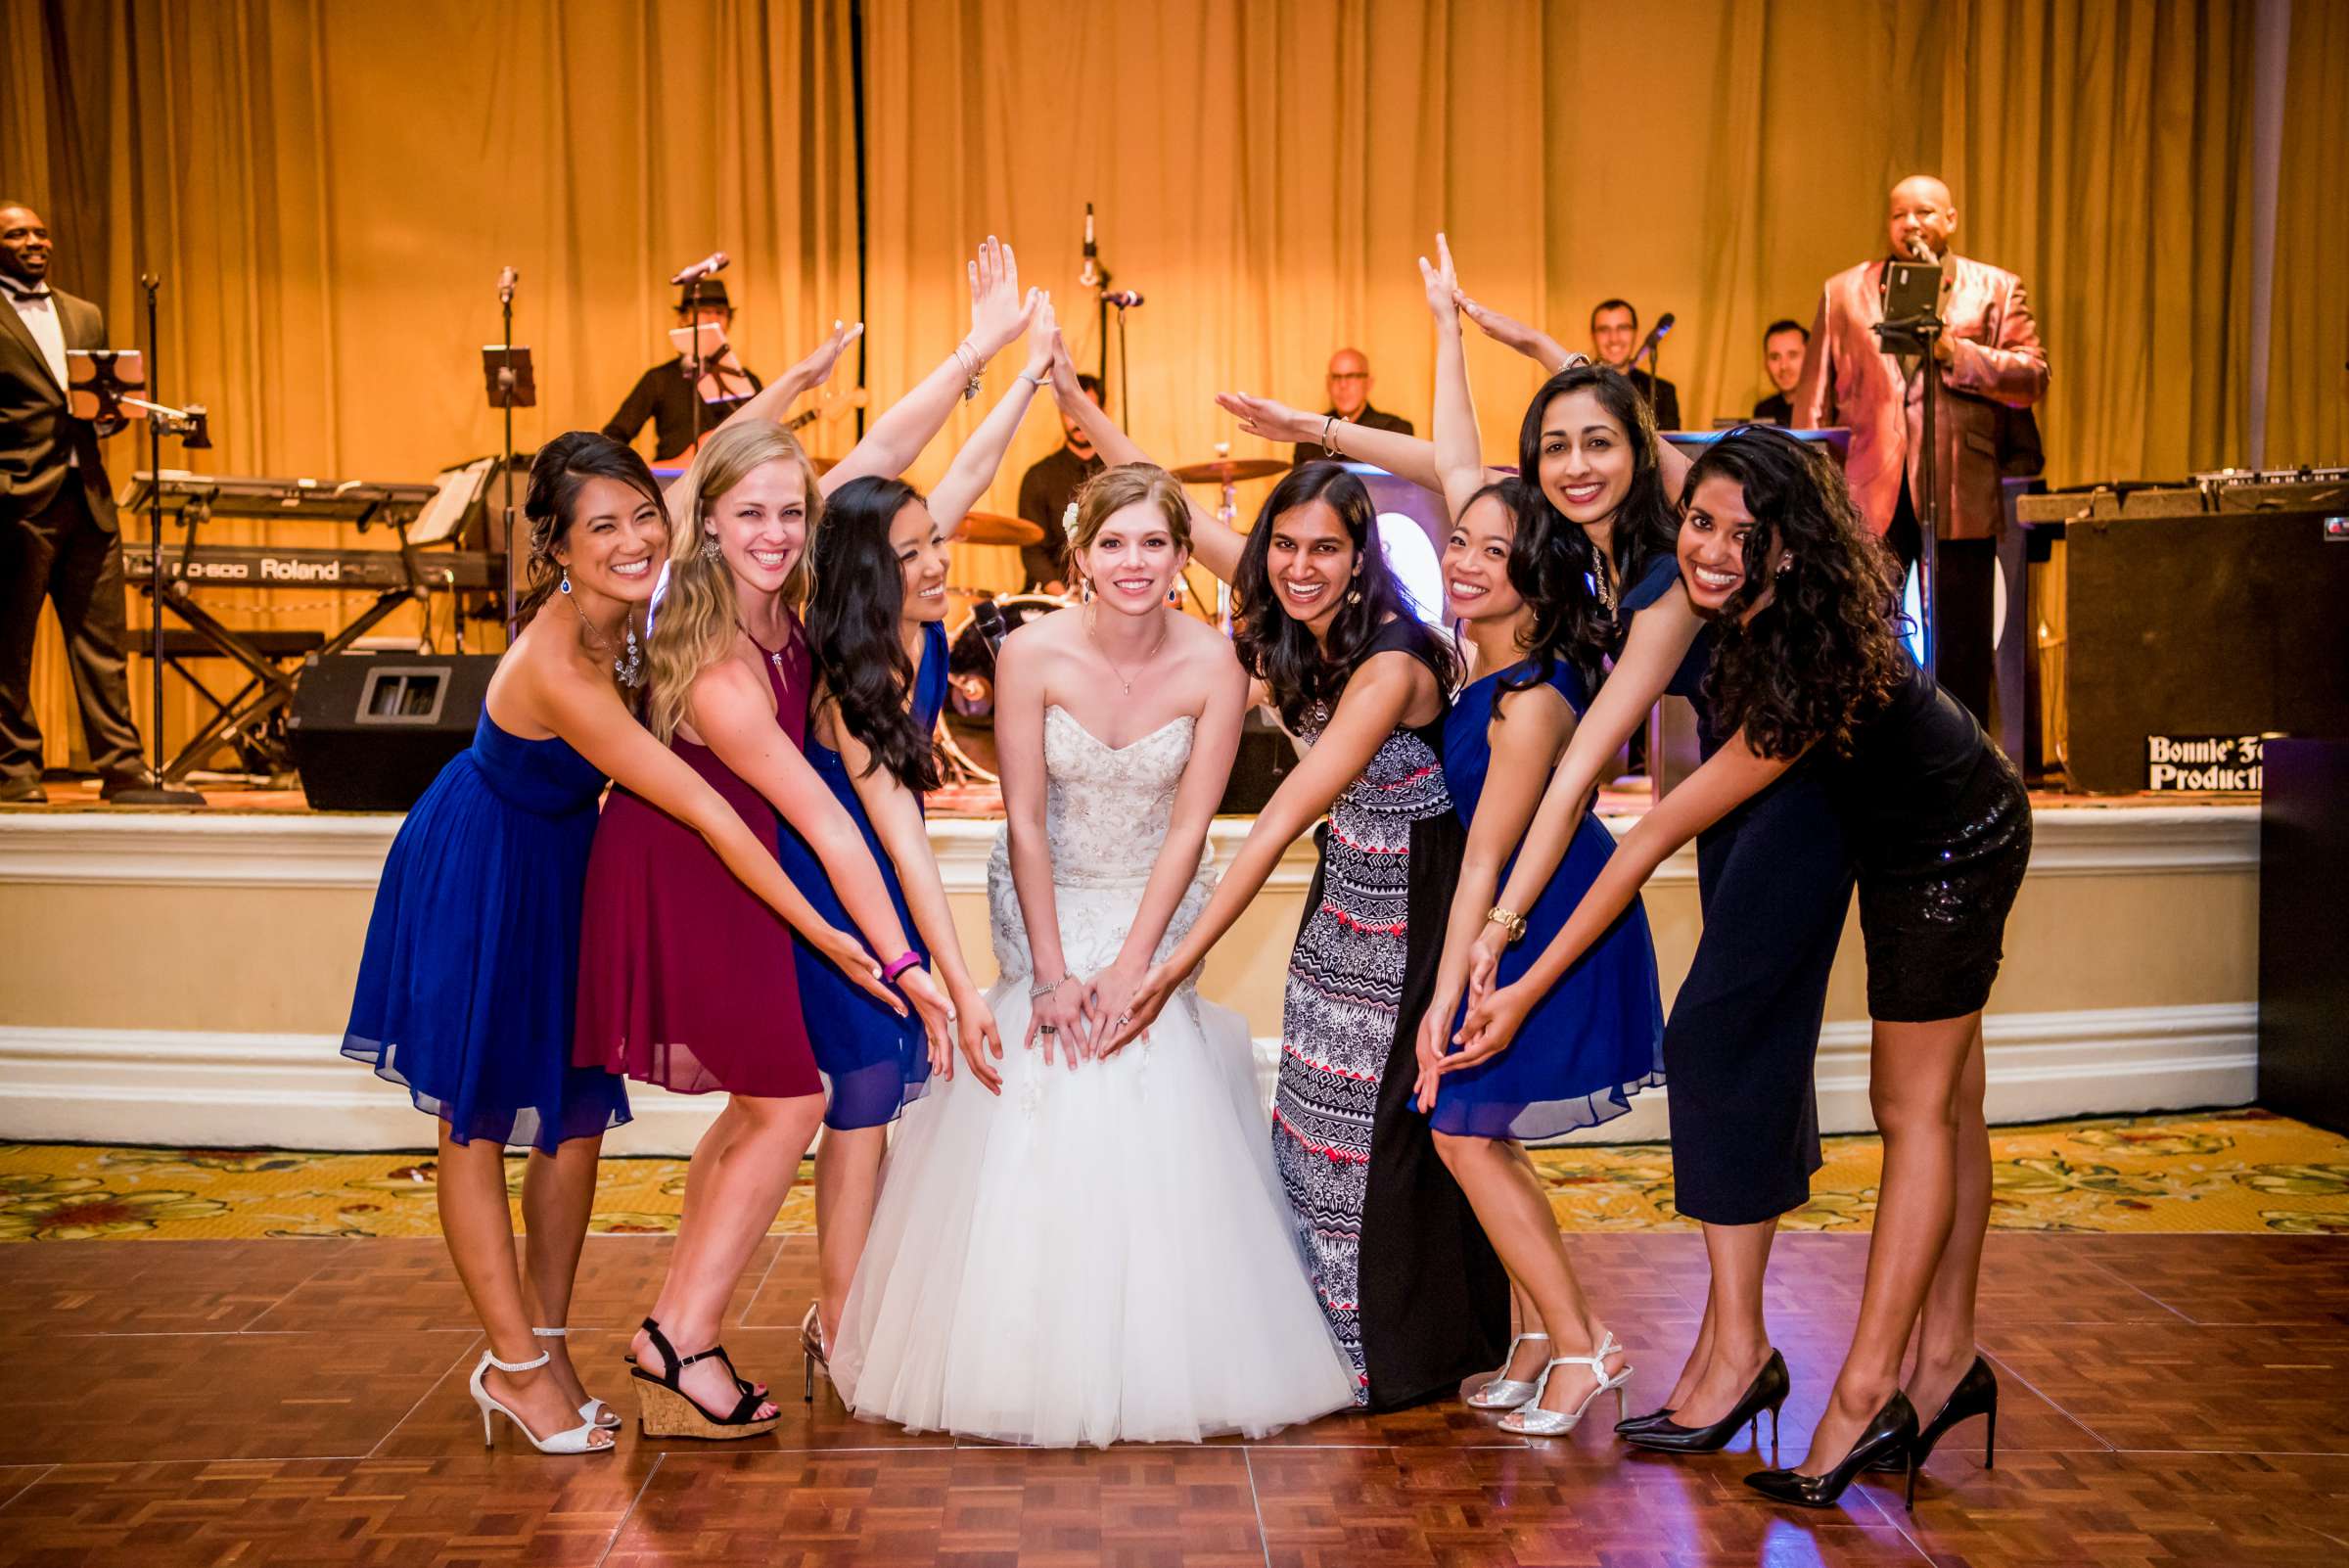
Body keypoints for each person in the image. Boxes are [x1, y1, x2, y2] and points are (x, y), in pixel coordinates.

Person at [1331, 255, 1862, 1474]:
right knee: (1677, 1074)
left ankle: (1676, 1349)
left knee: (1718, 1056)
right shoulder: (1584, 557)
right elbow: (1458, 470)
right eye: (1555, 448)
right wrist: (1448, 338)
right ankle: (1665, 1345)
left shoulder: (1673, 564)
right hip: (1719, 803)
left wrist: (1497, 936)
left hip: (1778, 788)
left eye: (1599, 442)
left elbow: (1579, 777)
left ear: (1639, 445)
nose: (1575, 466)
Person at [1454, 427, 2029, 1510]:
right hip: (1876, 828)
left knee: (1910, 1108)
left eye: (1744, 534)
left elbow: (1648, 835)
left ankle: (1865, 1394)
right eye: (1701, 523)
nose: (1713, 550)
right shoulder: (1740, 611)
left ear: (1794, 548)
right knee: (1947, 1106)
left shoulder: (1817, 662)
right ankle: (1946, 1361)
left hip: (1953, 842)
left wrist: (1520, 976)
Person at [341, 432, 896, 1455]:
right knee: (475, 1119)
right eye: (604, 526)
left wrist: (958, 363)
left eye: (647, 514)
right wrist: (826, 929)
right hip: (486, 863)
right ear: (556, 545)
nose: (637, 538)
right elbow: (710, 813)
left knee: (572, 1119)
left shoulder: (642, 602)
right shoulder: (559, 663)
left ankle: (546, 1344)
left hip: (566, 862)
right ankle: (512, 1368)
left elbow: (774, 482)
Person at [829, 462, 1357, 1446]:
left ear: (1180, 556)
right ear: (1078, 555)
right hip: (1046, 894)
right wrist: (1056, 969)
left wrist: (1136, 967)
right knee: (1051, 1052)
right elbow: (1024, 819)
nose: (1135, 562)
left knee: (1142, 1054)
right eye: (1113, 543)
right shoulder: (1030, 653)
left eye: (1155, 543)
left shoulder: (1219, 663)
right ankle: (1020, 1343)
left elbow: (1189, 830)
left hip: (1153, 897)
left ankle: (1164, 1344)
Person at [572, 419, 953, 1439]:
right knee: (787, 1102)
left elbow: (896, 473)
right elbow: (824, 824)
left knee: (758, 1107)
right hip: (681, 875)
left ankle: (679, 1330)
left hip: (738, 867)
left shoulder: (789, 615)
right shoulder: (719, 667)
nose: (776, 533)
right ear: (708, 523)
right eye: (751, 514)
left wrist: (978, 359)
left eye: (793, 513)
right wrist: (893, 958)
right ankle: (677, 1338)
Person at [1103, 454, 1510, 1409]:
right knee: (1311, 1120)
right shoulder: (1295, 623)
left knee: (1387, 1130)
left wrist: (1178, 955)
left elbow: (1283, 812)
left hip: (1420, 894)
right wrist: (1081, 411)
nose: (1300, 566)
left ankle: (1407, 1355)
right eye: (1285, 546)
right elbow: (1192, 525)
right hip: (1350, 880)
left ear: (1362, 553)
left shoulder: (1394, 657)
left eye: (1326, 548)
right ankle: (1328, 1337)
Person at [1395, 238, 1663, 1436]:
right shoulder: (1483, 666)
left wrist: (1448, 993)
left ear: (1531, 577)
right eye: (1459, 544)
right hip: (1513, 906)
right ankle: (1546, 1340)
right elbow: (1460, 460)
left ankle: (1586, 1345)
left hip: (1546, 914)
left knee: (1462, 1133)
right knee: (1475, 1137)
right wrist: (1448, 329)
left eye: (1491, 553)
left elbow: (1496, 858)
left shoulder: (1530, 696)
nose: (1462, 562)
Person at [789, 299, 1060, 1383]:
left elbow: (970, 476)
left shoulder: (920, 616)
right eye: (916, 551)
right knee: (858, 1105)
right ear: (869, 572)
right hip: (831, 890)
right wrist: (945, 974)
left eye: (937, 541)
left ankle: (851, 1315)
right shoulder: (852, 680)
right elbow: (895, 835)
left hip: (883, 891)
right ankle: (844, 1330)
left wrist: (1030, 381)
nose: (939, 556)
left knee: (873, 1110)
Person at [1791, 174, 2049, 726]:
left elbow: (2032, 377)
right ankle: (1870, 761)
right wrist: (1807, 495)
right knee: (1861, 636)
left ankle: (1965, 767)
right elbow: (1813, 405)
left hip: (1957, 483)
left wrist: (1957, 352)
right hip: (1866, 489)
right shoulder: (1844, 292)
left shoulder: (1995, 288)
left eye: (1926, 213)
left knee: (1962, 640)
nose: (1913, 225)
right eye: (1900, 215)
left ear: (1950, 220)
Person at [0, 202, 145, 804]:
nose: (34, 241)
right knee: (9, 645)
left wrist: (114, 415)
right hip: (15, 499)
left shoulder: (84, 313)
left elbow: (94, 400)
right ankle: (14, 771)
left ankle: (122, 767)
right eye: (16, 234)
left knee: (102, 645)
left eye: (39, 232)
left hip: (87, 496)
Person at [603, 278, 763, 462]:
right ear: (684, 318)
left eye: (720, 313)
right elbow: (614, 435)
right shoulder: (659, 379)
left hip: (728, 483)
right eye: (703, 312)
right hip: (670, 483)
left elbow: (763, 440)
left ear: (729, 321)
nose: (713, 320)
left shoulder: (749, 383)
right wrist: (638, 473)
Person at [1012, 370, 1105, 591]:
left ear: (1102, 411)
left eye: (1086, 409)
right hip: (1056, 598)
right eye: (1071, 411)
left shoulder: (1119, 473)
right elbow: (1033, 552)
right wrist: (1064, 601)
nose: (1079, 419)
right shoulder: (1038, 477)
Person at [1289, 347, 1414, 465]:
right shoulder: (1309, 434)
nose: (1343, 385)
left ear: (1368, 383)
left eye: (1352, 376)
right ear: (1328, 384)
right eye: (1336, 377)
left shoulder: (1395, 431)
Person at [1589, 299, 1681, 433]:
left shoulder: (1663, 391)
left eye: (1623, 328)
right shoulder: (1575, 388)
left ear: (1635, 334)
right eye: (1604, 330)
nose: (1614, 339)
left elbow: (1673, 449)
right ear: (1593, 336)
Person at [1752, 319, 1810, 426]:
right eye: (1775, 357)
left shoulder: (1827, 408)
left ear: (1810, 357)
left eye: (1793, 355)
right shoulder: (1763, 411)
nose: (1783, 366)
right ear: (1765, 363)